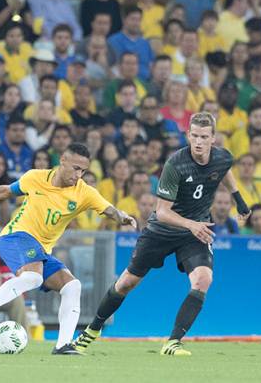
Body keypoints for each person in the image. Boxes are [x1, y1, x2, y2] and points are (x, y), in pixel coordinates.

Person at [72, 112, 250, 356]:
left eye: (204, 137)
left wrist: (238, 198)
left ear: (213, 139)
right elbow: (162, 212)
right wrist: (191, 224)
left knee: (203, 280)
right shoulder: (176, 164)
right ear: (188, 135)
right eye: (194, 136)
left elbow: (224, 170)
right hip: (163, 230)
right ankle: (92, 330)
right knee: (126, 283)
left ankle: (173, 341)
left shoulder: (222, 157)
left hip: (193, 232)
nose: (198, 142)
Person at [0, 143, 137, 354]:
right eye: (75, 168)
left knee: (72, 286)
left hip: (41, 251)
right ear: (62, 160)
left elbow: (109, 209)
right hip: (16, 236)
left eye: (83, 170)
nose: (79, 175)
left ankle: (63, 345)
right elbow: (5, 191)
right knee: (34, 278)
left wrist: (123, 216)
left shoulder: (84, 192)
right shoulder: (35, 177)